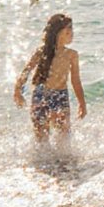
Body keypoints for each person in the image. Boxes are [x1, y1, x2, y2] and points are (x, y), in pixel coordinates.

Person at [13, 13, 86, 144]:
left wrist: (82, 103)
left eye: (72, 28)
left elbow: (76, 81)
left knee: (64, 137)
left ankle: (62, 163)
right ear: (58, 31)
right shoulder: (41, 52)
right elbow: (26, 72)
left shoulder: (71, 55)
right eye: (68, 28)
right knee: (41, 139)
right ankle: (40, 162)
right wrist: (17, 91)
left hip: (61, 96)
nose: (71, 32)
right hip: (41, 95)